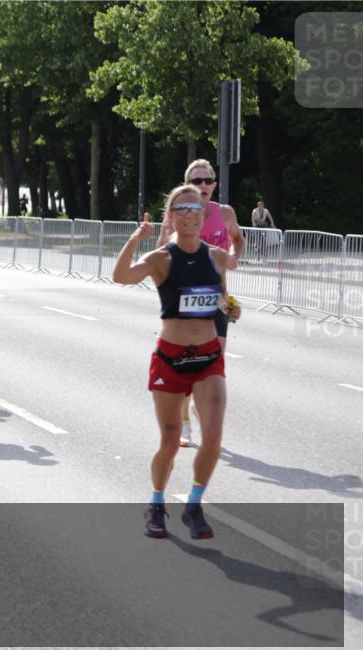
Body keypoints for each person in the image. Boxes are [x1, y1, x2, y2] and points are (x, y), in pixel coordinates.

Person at [113, 184, 241, 540]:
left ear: (203, 214)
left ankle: (194, 505)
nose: (189, 213)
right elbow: (120, 277)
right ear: (171, 216)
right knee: (170, 442)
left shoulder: (216, 257)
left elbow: (219, 299)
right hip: (170, 359)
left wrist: (229, 308)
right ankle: (156, 503)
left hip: (208, 359)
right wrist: (136, 239)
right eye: (181, 208)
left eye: (195, 208)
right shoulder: (161, 259)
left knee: (212, 436)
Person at [156, 159, 245, 447]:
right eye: (197, 181)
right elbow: (159, 251)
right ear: (186, 184)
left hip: (216, 300)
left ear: (215, 185)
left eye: (208, 181)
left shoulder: (226, 213)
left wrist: (232, 257)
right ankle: (183, 422)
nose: (203, 186)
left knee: (213, 364)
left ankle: (199, 407)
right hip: (183, 304)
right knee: (185, 366)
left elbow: (238, 239)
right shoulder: (177, 215)